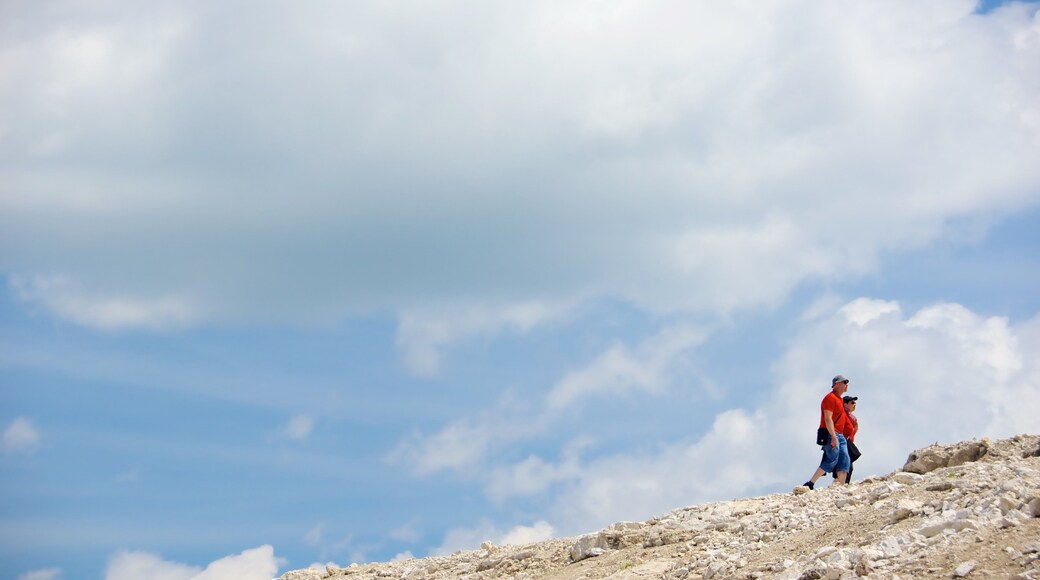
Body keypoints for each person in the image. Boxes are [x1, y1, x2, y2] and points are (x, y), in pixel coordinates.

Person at [800, 375, 851, 490]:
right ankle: (810, 483)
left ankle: (842, 488)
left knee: (845, 460)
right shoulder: (830, 398)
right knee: (832, 459)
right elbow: (828, 418)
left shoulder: (840, 400)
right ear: (836, 384)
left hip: (840, 435)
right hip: (832, 434)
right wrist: (833, 436)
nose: (847, 384)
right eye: (844, 382)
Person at [834, 395, 860, 483]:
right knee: (846, 465)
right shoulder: (842, 414)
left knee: (848, 465)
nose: (854, 404)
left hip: (847, 442)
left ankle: (841, 484)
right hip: (842, 441)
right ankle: (841, 484)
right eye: (852, 403)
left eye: (855, 403)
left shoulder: (852, 417)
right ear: (845, 404)